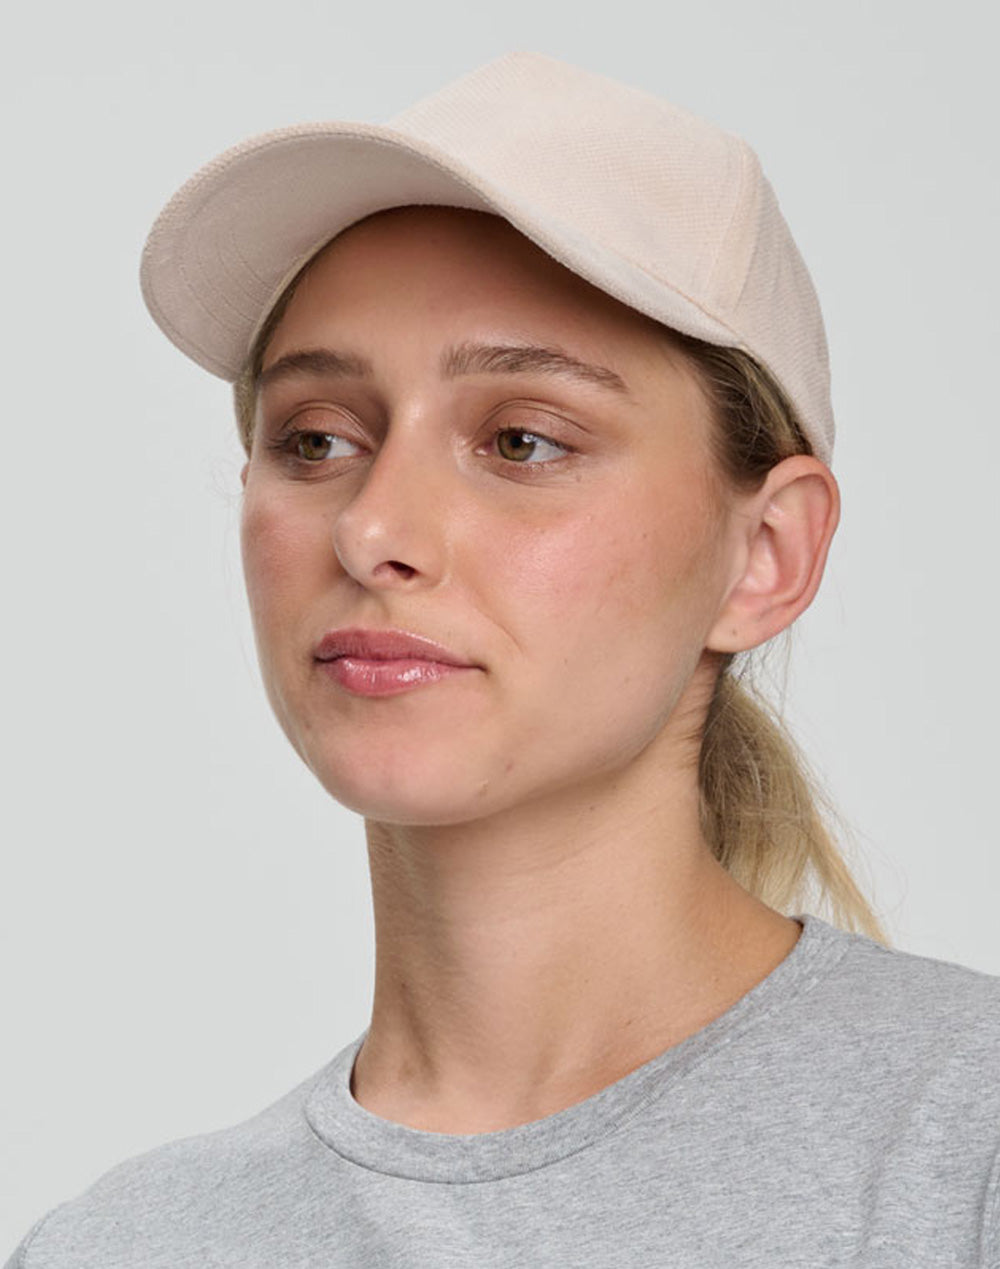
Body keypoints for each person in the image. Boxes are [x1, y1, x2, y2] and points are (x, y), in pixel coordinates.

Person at [7, 50, 999, 1268]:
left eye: (522, 441)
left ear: (763, 556)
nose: (373, 530)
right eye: (316, 439)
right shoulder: (121, 1245)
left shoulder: (963, 1149)